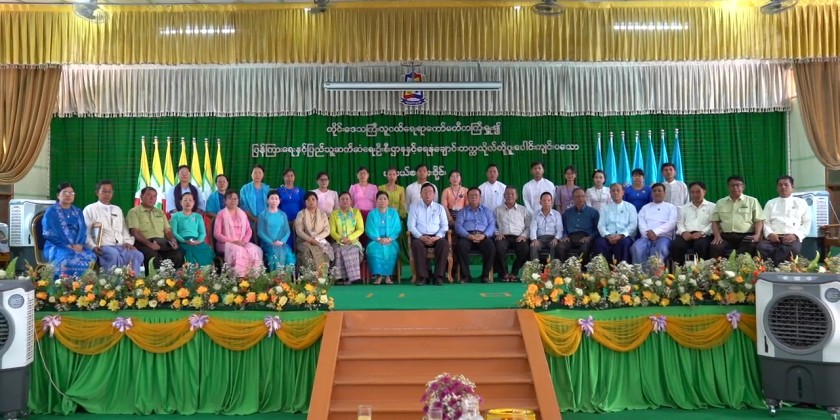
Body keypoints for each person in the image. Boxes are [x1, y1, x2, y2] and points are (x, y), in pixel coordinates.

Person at [82, 180, 143, 274]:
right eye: (104, 191)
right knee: (113, 255)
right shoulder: (90, 209)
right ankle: (112, 281)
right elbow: (86, 232)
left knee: (137, 254)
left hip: (121, 245)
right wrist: (93, 246)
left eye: (109, 191)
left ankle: (132, 281)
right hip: (103, 246)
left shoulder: (117, 209)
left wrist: (128, 242)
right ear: (97, 192)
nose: (107, 194)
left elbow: (124, 229)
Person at [42, 182, 97, 277]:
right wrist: (66, 245)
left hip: (77, 245)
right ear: (58, 195)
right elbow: (48, 234)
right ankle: (63, 283)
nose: (68, 195)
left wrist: (80, 245)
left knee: (90, 256)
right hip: (57, 246)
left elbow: (83, 231)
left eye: (71, 193)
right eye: (65, 192)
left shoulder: (78, 211)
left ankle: (82, 284)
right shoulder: (51, 212)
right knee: (67, 257)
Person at [757, 176, 812, 265]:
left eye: (786, 185)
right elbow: (765, 222)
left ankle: (774, 266)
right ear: (777, 188)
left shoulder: (801, 203)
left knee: (793, 249)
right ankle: (780, 266)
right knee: (762, 247)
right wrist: (770, 234)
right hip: (773, 238)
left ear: (792, 187)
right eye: (780, 185)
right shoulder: (771, 203)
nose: (783, 187)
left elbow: (807, 222)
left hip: (791, 238)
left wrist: (795, 235)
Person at [127, 187, 184, 271]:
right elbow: (135, 232)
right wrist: (150, 244)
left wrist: (172, 240)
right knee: (153, 257)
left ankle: (172, 278)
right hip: (144, 243)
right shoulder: (134, 212)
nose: (152, 198)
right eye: (148, 195)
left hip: (161, 242)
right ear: (141, 196)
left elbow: (168, 230)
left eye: (154, 196)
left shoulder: (160, 212)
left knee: (177, 254)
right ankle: (154, 279)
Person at [710, 175, 765, 258]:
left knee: (749, 247)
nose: (735, 187)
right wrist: (717, 236)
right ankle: (719, 267)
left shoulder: (752, 201)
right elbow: (714, 221)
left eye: (738, 185)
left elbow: (759, 220)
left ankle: (743, 267)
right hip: (725, 236)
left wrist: (757, 235)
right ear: (728, 187)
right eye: (732, 185)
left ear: (743, 187)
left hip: (746, 236)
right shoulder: (720, 202)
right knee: (715, 247)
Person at [407, 183, 450, 286]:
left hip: (436, 237)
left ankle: (438, 276)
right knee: (416, 244)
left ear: (434, 194)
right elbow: (411, 226)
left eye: (430, 191)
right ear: (420, 194)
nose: (427, 194)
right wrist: (420, 237)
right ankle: (423, 277)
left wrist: (437, 237)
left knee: (444, 244)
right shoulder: (414, 207)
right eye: (425, 191)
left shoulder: (440, 208)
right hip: (420, 236)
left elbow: (444, 226)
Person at [214, 191, 263, 277]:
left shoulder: (242, 213)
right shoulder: (221, 214)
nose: (233, 201)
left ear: (238, 200)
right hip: (225, 243)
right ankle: (239, 277)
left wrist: (244, 242)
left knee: (253, 250)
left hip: (242, 242)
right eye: (230, 198)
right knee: (239, 251)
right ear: (225, 201)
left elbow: (249, 231)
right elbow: (217, 234)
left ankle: (253, 277)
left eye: (235, 198)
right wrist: (233, 241)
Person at [454, 188, 496, 283]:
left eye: (476, 195)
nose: (474, 197)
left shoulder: (487, 211)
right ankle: (466, 276)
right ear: (467, 197)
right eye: (471, 195)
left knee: (491, 247)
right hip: (467, 236)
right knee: (461, 246)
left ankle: (485, 276)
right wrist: (468, 235)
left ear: (480, 197)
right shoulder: (462, 211)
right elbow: (458, 226)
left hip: (483, 236)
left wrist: (484, 235)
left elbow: (492, 225)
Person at [631, 183, 678, 264]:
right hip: (646, 237)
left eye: (659, 191)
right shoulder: (645, 207)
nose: (657, 193)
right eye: (654, 191)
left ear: (664, 193)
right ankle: (640, 271)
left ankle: (656, 272)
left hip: (663, 237)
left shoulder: (671, 207)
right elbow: (641, 223)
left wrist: (655, 232)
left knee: (661, 248)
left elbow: (671, 223)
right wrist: (648, 234)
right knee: (636, 247)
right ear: (651, 193)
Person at [670, 181, 715, 265]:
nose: (695, 195)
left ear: (704, 192)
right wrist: (683, 232)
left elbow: (713, 224)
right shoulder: (683, 208)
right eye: (692, 192)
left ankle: (699, 270)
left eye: (698, 192)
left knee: (701, 246)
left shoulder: (712, 206)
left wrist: (702, 233)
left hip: (703, 235)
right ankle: (679, 270)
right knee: (676, 245)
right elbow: (680, 223)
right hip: (686, 234)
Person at [592, 183, 637, 263]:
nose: (615, 193)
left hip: (624, 236)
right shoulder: (605, 208)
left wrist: (621, 235)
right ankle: (603, 269)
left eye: (618, 190)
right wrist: (608, 236)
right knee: (599, 243)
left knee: (624, 243)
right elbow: (601, 225)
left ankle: (622, 268)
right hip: (608, 236)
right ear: (610, 193)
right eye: (613, 191)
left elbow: (633, 225)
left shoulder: (630, 207)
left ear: (623, 192)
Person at [494, 187, 531, 282]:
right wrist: (497, 233)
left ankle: (514, 272)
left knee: (525, 249)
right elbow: (492, 225)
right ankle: (504, 273)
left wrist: (524, 235)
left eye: (512, 194)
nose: (510, 196)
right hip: (503, 237)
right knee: (499, 248)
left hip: (519, 237)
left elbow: (528, 226)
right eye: (507, 194)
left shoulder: (523, 210)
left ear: (517, 196)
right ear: (504, 196)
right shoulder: (497, 210)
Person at [169, 192, 215, 266]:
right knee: (191, 251)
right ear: (181, 202)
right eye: (185, 200)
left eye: (190, 200)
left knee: (206, 250)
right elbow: (174, 232)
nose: (188, 202)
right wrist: (184, 241)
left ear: (193, 202)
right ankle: (192, 272)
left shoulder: (198, 216)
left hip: (197, 241)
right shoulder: (176, 216)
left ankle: (206, 272)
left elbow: (202, 233)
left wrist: (198, 241)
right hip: (182, 241)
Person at [366, 191, 402, 285]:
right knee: (375, 251)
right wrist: (379, 239)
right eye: (380, 199)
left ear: (388, 201)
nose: (382, 201)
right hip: (375, 240)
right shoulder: (372, 214)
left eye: (385, 199)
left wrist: (389, 239)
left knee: (391, 251)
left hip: (391, 240)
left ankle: (388, 276)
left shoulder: (393, 213)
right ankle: (378, 276)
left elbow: (397, 228)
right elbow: (369, 229)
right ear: (376, 201)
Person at [330, 192, 365, 285]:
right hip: (338, 241)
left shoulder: (356, 213)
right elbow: (332, 231)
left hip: (353, 241)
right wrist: (341, 239)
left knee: (353, 250)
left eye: (347, 199)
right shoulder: (334, 214)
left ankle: (353, 278)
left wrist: (349, 238)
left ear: (351, 201)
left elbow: (360, 229)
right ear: (339, 201)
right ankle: (339, 278)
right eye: (342, 199)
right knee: (337, 250)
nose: (345, 201)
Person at [557, 188, 599, 263]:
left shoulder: (593, 212)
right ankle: (564, 267)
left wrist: (589, 237)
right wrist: (565, 236)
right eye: (577, 196)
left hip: (585, 237)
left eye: (582, 196)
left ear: (585, 197)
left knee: (584, 249)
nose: (580, 198)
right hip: (570, 237)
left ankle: (581, 268)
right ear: (573, 198)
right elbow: (563, 227)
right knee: (560, 247)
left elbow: (597, 230)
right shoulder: (567, 212)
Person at [295, 191, 333, 270]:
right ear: (305, 202)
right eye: (308, 200)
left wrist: (316, 239)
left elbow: (327, 230)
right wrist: (310, 240)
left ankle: (323, 274)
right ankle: (309, 274)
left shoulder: (323, 214)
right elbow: (299, 231)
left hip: (319, 240)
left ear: (317, 201)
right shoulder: (301, 214)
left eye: (313, 199)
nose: (311, 201)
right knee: (306, 251)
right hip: (303, 241)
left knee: (325, 250)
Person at [258, 191, 295, 270]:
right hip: (267, 244)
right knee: (274, 252)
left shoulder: (283, 215)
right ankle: (275, 276)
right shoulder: (262, 215)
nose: (274, 201)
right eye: (272, 198)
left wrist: (282, 241)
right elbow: (260, 232)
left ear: (279, 201)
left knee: (287, 254)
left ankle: (285, 277)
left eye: (276, 199)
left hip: (281, 244)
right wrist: (271, 242)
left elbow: (287, 231)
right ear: (267, 200)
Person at [529, 192, 563, 260]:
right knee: (533, 247)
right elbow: (533, 228)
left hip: (552, 238)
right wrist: (534, 239)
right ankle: (535, 266)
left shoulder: (556, 214)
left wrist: (556, 239)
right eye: (544, 200)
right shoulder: (536, 214)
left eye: (548, 200)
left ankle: (553, 266)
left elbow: (559, 229)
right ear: (540, 202)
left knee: (555, 246)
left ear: (552, 202)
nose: (546, 202)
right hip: (540, 239)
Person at [278, 168, 305, 250]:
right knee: (284, 241)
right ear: (283, 177)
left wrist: (297, 219)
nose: (289, 178)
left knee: (297, 241)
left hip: (297, 221)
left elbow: (303, 207)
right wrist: (283, 219)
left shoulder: (300, 191)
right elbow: (276, 207)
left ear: (294, 177)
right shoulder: (279, 191)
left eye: (291, 176)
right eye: (287, 176)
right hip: (282, 221)